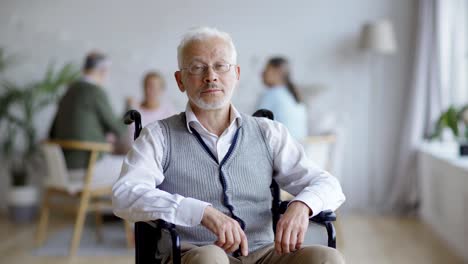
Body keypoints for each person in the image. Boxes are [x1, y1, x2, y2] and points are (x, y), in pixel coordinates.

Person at [112, 27, 345, 264]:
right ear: (180, 80)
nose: (210, 75)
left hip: (264, 252)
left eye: (221, 66)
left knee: (327, 258)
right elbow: (125, 194)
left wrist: (302, 205)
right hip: (193, 253)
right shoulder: (159, 135)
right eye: (197, 67)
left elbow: (329, 184)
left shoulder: (268, 132)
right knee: (211, 258)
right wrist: (199, 211)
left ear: (236, 74)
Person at [49, 51, 126, 187]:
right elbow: (118, 129)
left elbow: (52, 132)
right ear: (103, 71)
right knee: (133, 165)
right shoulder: (94, 92)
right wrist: (130, 108)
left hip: (62, 169)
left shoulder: (68, 91)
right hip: (86, 168)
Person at [257, 57, 308, 140]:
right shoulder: (294, 95)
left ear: (277, 72)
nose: (262, 73)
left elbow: (255, 126)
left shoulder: (271, 94)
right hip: (301, 147)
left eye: (266, 69)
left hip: (280, 149)